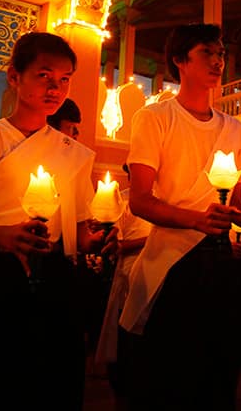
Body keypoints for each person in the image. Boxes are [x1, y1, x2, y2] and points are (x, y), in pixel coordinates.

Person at [120, 23, 241, 411]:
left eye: (221, 55)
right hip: (172, 264)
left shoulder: (238, 132)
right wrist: (196, 219)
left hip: (221, 267)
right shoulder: (155, 119)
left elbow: (238, 206)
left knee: (219, 375)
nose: (218, 62)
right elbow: (142, 201)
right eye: (207, 54)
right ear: (180, 60)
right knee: (171, 374)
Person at [0, 32, 102, 410]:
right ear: (15, 77)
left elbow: (78, 236)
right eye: (44, 75)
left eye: (64, 79)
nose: (55, 88)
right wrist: (4, 237)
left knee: (52, 388)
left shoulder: (75, 154)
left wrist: (99, 240)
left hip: (56, 283)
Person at [94, 164, 151, 399]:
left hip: (153, 270)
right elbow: (115, 241)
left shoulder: (160, 201)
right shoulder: (123, 201)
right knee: (125, 329)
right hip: (129, 273)